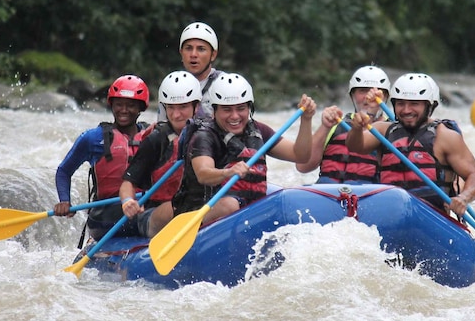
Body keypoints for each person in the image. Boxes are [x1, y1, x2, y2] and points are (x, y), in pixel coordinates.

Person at [171, 73, 317, 225]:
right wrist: (228, 172)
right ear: (215, 111)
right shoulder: (204, 136)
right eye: (227, 110)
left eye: (241, 108)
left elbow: (300, 155)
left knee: (279, 199)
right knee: (230, 205)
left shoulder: (258, 131)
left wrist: (306, 120)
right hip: (200, 213)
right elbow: (203, 174)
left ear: (249, 108)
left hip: (245, 211)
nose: (235, 116)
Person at [345, 73, 475, 218]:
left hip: (433, 217)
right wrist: (356, 128)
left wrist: (463, 198)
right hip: (390, 214)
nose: (406, 110)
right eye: (401, 103)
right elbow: (355, 147)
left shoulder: (445, 137)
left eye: (414, 104)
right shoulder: (382, 130)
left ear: (430, 106)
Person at [54, 75, 150, 240]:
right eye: (119, 104)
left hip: (143, 206)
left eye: (131, 105)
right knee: (149, 214)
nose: (124, 110)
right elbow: (64, 171)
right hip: (105, 215)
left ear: (141, 107)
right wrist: (65, 201)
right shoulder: (93, 138)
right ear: (111, 105)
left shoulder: (152, 136)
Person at [117, 71, 202, 238]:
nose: (176, 115)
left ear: (196, 107)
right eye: (171, 107)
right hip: (155, 214)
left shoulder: (207, 134)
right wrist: (128, 201)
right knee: (181, 206)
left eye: (183, 107)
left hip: (197, 207)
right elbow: (128, 184)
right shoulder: (156, 140)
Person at [296, 65, 390, 183]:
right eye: (362, 91)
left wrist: (371, 114)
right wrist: (325, 127)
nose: (368, 97)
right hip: (328, 192)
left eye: (375, 91)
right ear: (352, 96)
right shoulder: (335, 124)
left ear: (385, 97)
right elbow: (303, 167)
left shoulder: (391, 130)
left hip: (370, 195)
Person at [158, 21, 226, 122]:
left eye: (201, 49)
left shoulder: (225, 84)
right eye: (188, 48)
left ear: (213, 55)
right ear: (181, 53)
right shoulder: (170, 84)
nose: (193, 54)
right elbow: (162, 126)